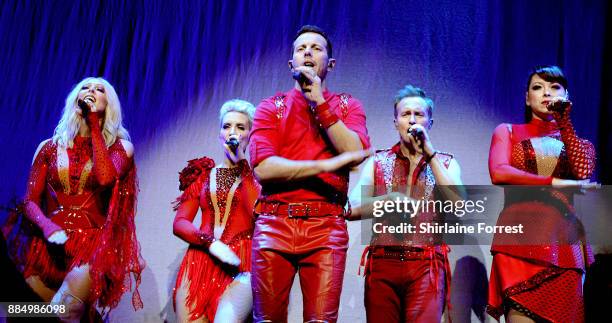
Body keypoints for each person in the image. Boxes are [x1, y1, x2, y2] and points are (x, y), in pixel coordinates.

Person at [249, 25, 371, 322]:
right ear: (291, 63)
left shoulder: (346, 106)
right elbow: (264, 168)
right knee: (267, 320)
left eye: (316, 48)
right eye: (301, 48)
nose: (307, 52)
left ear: (330, 63)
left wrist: (319, 101)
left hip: (325, 225)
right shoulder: (270, 107)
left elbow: (354, 153)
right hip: (274, 223)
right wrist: (325, 165)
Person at [2, 77, 143, 322]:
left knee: (65, 311)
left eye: (99, 90)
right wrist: (47, 227)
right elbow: (29, 201)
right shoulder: (48, 147)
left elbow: (105, 178)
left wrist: (94, 124)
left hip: (90, 247)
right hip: (49, 244)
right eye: (85, 88)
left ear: (108, 104)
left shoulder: (122, 148)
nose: (91, 92)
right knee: (20, 311)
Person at [487, 65, 597, 323]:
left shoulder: (579, 144)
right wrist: (554, 182)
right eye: (538, 87)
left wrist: (565, 122)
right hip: (519, 243)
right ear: (527, 98)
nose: (546, 93)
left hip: (565, 245)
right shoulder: (508, 131)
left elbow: (583, 172)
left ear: (567, 96)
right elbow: (499, 172)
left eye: (555, 87)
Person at [348, 85, 463, 322]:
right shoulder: (378, 161)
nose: (412, 120)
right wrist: (387, 201)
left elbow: (460, 205)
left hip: (426, 265)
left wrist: (429, 153)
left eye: (419, 114)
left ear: (430, 122)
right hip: (383, 263)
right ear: (395, 121)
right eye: (405, 114)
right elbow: (350, 208)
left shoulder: (446, 163)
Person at [172, 99, 260, 323]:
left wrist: (241, 163)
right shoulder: (202, 175)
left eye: (241, 127)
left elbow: (257, 213)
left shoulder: (259, 178)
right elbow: (180, 222)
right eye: (227, 126)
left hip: (241, 263)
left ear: (251, 135)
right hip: (199, 260)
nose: (233, 132)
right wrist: (209, 242)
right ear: (220, 133)